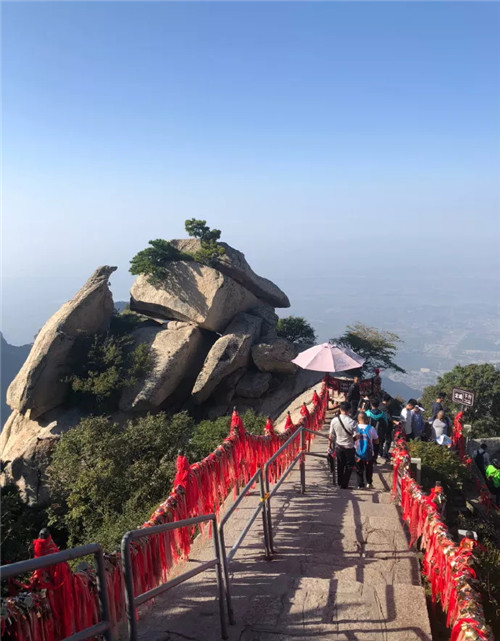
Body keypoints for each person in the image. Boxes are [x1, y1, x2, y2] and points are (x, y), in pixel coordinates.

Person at [329, 401, 357, 489]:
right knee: (349, 466)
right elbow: (356, 436)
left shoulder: (334, 420)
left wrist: (329, 446)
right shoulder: (352, 422)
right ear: (349, 410)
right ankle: (344, 484)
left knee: (340, 465)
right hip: (349, 446)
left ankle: (340, 482)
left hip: (339, 446)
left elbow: (331, 436)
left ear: (340, 409)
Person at [354, 411, 379, 489]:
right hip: (369, 453)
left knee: (359, 469)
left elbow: (352, 439)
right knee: (369, 469)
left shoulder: (355, 428)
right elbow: (377, 441)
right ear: (367, 419)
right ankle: (369, 483)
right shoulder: (371, 428)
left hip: (357, 453)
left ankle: (360, 484)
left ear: (358, 419)